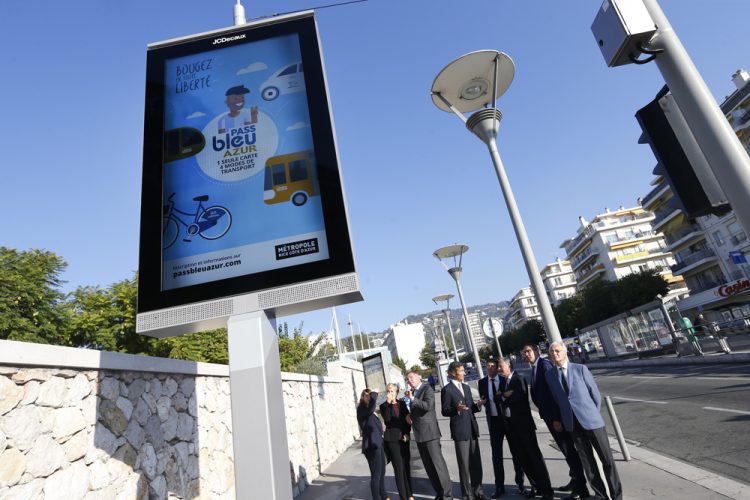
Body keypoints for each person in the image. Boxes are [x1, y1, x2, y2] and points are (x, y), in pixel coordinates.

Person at [546, 342, 623, 500]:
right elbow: (556, 399)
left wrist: (590, 414)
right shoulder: (551, 375)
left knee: (607, 460)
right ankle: (600, 495)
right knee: (588, 464)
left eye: (557, 351)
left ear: (565, 352)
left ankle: (616, 495)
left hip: (592, 422)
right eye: (551, 352)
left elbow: (595, 396)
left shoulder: (580, 369)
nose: (554, 354)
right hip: (573, 425)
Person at [521, 344, 588, 500]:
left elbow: (554, 393)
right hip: (550, 416)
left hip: (555, 417)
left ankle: (581, 488)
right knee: (567, 451)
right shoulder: (536, 367)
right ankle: (575, 480)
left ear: (536, 351)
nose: (527, 354)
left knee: (569, 451)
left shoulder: (544, 365)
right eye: (524, 352)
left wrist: (557, 418)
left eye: (529, 351)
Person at [495, 358, 554, 500]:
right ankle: (536, 486)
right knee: (522, 458)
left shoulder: (518, 379)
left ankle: (547, 490)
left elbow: (518, 397)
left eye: (501, 366)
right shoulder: (503, 383)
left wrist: (503, 395)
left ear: (509, 365)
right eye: (498, 367)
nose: (499, 369)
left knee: (534, 457)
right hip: (511, 426)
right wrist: (504, 395)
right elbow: (499, 399)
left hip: (524, 425)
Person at [477, 357, 525, 498]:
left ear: (497, 367)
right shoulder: (482, 382)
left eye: (493, 365)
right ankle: (499, 486)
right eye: (488, 365)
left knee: (516, 453)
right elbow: (483, 400)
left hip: (508, 421)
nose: (490, 368)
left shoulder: (504, 380)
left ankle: (520, 483)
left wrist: (502, 397)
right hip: (493, 422)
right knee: (496, 456)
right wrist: (481, 403)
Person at [406, 371, 453, 499]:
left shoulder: (427, 389)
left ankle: (447, 495)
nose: (410, 380)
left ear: (418, 377)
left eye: (412, 377)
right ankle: (439, 492)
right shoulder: (414, 392)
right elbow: (418, 410)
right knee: (429, 468)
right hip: (419, 434)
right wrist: (410, 415)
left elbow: (428, 406)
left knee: (438, 466)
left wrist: (412, 399)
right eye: (408, 379)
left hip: (430, 434)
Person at [441, 361, 485, 500]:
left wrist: (477, 405)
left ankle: (478, 491)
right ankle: (467, 494)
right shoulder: (447, 390)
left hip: (472, 429)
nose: (464, 373)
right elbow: (445, 411)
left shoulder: (466, 387)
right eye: (461, 371)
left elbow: (470, 407)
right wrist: (456, 409)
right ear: (453, 373)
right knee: (464, 465)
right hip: (460, 431)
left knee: (476, 463)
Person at [380, 384, 413, 500]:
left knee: (406, 468)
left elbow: (406, 420)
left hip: (404, 440)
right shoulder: (383, 406)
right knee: (399, 470)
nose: (390, 393)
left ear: (397, 392)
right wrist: (389, 404)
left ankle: (410, 495)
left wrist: (407, 434)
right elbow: (388, 420)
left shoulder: (402, 403)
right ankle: (403, 497)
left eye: (392, 391)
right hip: (393, 441)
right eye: (388, 391)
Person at [357, 389, 390, 500]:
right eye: (366, 395)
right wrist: (374, 394)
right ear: (362, 397)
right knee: (376, 474)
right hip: (371, 446)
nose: (369, 397)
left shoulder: (370, 410)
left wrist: (381, 427)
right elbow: (371, 408)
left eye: (370, 395)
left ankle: (383, 495)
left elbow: (373, 424)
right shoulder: (362, 409)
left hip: (378, 443)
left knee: (382, 472)